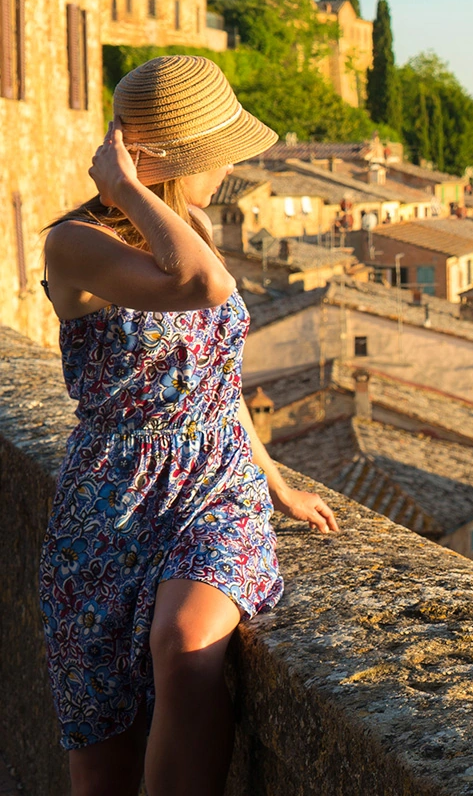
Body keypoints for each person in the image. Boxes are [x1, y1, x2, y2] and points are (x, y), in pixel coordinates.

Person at [37, 55, 340, 796]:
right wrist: (125, 190)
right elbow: (203, 288)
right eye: (216, 152)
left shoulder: (192, 226)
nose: (230, 167)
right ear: (167, 160)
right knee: (103, 749)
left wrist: (273, 482)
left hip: (215, 487)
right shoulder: (73, 244)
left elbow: (214, 375)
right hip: (109, 502)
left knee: (184, 642)